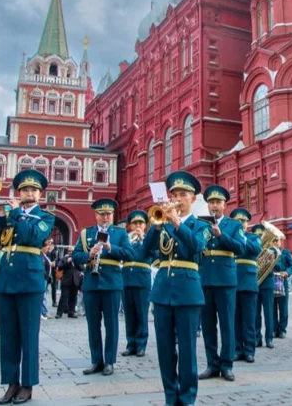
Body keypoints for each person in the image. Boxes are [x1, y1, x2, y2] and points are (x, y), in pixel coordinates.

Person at [142, 170, 209, 406]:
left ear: (193, 198)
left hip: (188, 292)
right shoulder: (163, 225)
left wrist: (177, 222)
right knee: (165, 349)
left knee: (188, 349)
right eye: (175, 195)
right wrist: (156, 225)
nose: (178, 199)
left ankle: (187, 398)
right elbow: (146, 250)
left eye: (183, 195)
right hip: (162, 292)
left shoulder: (200, 225)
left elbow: (197, 247)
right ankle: (170, 397)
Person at [0, 169, 55, 405]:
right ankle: (11, 383)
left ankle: (27, 384)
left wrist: (17, 213)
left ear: (40, 194)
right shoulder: (10, 216)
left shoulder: (45, 217)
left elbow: (30, 238)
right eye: (25, 190)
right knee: (8, 336)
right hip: (7, 279)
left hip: (29, 281)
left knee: (28, 335)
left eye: (33, 190)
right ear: (19, 192)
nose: (29, 193)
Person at [73, 198, 132, 377]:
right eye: (101, 214)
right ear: (96, 215)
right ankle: (96, 360)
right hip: (91, 282)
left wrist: (111, 247)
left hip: (111, 282)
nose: (105, 217)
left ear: (112, 215)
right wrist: (88, 254)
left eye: (108, 214)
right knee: (93, 324)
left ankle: (109, 361)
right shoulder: (86, 233)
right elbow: (75, 256)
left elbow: (129, 254)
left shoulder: (120, 233)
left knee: (111, 323)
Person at [198, 185, 245, 382]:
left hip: (225, 281)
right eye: (211, 203)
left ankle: (227, 365)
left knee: (227, 324)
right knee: (208, 326)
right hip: (205, 279)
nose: (214, 206)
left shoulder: (234, 225)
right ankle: (212, 364)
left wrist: (221, 235)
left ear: (225, 205)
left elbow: (241, 248)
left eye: (218, 202)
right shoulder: (200, 224)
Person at [121, 210, 155, 358]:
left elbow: (155, 254)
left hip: (141, 280)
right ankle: (131, 344)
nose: (137, 226)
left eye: (140, 223)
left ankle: (141, 345)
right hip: (127, 279)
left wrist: (143, 240)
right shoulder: (126, 239)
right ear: (130, 226)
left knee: (141, 314)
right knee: (129, 314)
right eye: (135, 223)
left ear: (145, 226)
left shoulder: (149, 240)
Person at [229, 208, 261, 363]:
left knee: (249, 319)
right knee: (235, 319)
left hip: (248, 282)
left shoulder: (253, 237)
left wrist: (241, 236)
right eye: (238, 221)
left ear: (248, 223)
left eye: (244, 221)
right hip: (232, 281)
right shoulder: (229, 237)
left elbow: (256, 250)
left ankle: (249, 350)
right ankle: (237, 349)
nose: (241, 224)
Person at [253, 223, 277, 349]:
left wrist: (272, 260)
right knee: (256, 313)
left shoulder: (272, 251)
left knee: (269, 313)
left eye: (262, 236)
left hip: (267, 284)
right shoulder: (252, 249)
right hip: (255, 284)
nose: (260, 238)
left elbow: (279, 267)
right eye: (258, 236)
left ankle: (269, 338)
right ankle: (257, 338)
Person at [272, 236, 292, 339]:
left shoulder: (285, 252)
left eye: (277, 240)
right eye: (274, 240)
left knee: (283, 307)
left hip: (282, 280)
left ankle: (282, 330)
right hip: (271, 281)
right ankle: (273, 329)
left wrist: (287, 272)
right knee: (272, 307)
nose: (276, 242)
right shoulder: (267, 252)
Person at [56, 245, 82, 319]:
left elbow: (82, 268)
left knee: (73, 297)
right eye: (70, 251)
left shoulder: (77, 259)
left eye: (72, 251)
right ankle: (59, 313)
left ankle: (71, 312)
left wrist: (76, 262)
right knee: (63, 297)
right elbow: (60, 267)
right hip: (66, 281)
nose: (71, 252)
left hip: (75, 280)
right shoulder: (64, 258)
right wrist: (67, 262)